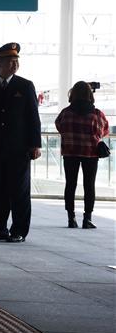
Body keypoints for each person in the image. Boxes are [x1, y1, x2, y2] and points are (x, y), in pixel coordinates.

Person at [0, 43, 41, 243]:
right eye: (11, 61)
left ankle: (19, 229)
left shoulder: (25, 86)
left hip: (19, 148)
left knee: (19, 190)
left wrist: (35, 144)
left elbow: (33, 117)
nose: (15, 65)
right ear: (0, 63)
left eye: (16, 61)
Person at [55, 81, 109, 229]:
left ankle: (71, 218)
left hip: (70, 153)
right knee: (89, 185)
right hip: (90, 153)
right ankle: (87, 218)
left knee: (70, 184)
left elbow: (59, 125)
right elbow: (104, 130)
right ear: (89, 94)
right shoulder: (97, 114)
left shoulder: (66, 112)